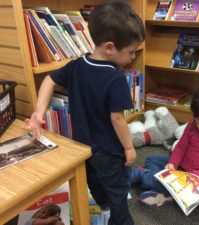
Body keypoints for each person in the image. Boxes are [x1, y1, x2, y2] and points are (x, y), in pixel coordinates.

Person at [24, 1, 145, 224]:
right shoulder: (116, 79)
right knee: (118, 190)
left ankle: (105, 208)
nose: (131, 57)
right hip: (109, 152)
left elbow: (49, 80)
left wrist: (38, 112)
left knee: (95, 183)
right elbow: (117, 118)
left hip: (82, 148)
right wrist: (129, 147)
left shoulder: (77, 65)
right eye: (130, 52)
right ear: (109, 47)